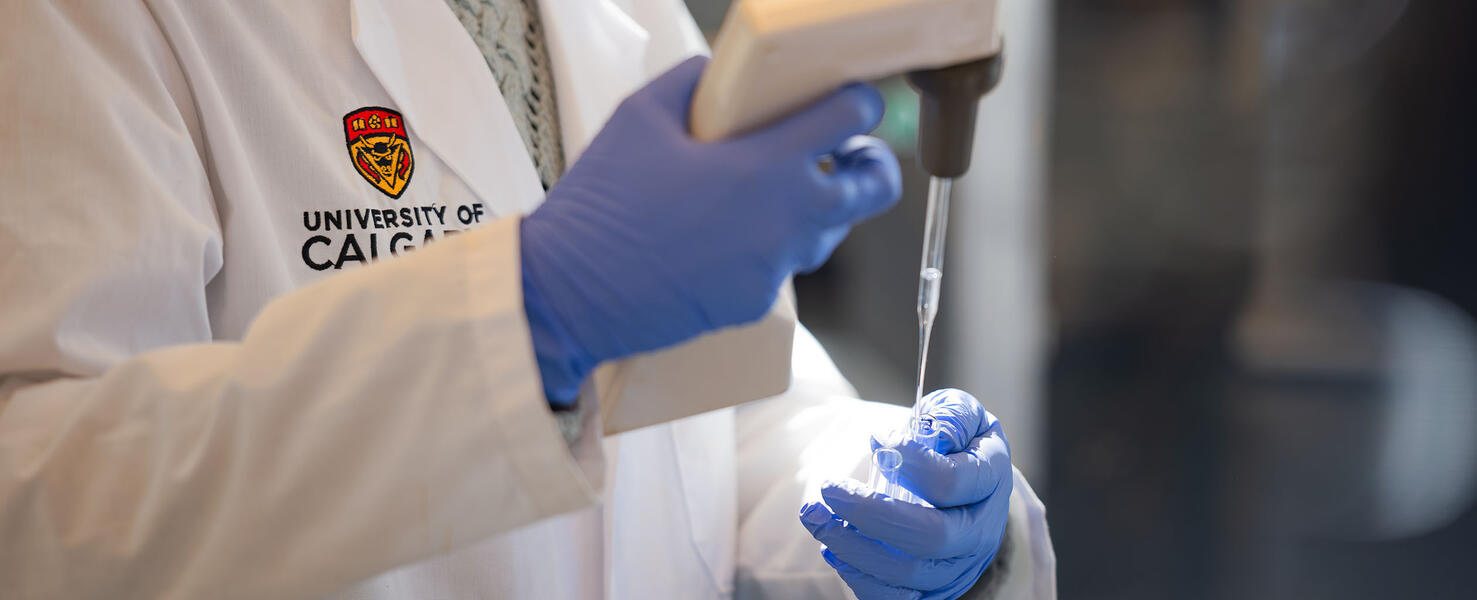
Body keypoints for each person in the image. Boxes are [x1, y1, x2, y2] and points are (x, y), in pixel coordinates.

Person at [0, 0, 1054, 598]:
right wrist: (527, 319)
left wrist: (862, 480)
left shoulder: (616, 14)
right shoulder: (97, 21)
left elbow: (713, 423)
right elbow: (48, 509)